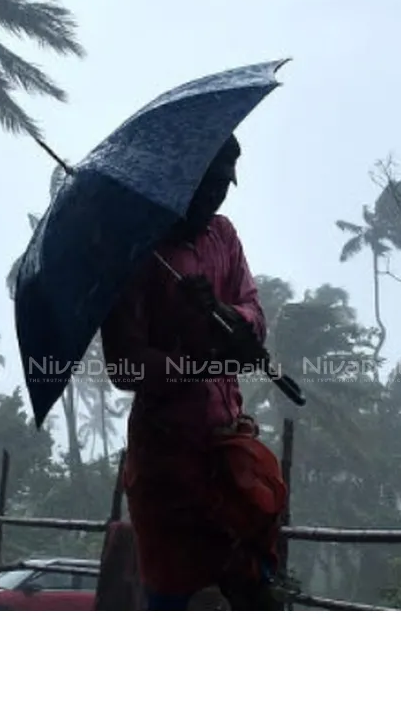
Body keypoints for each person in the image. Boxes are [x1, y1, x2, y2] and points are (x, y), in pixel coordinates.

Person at [101, 134, 286, 610]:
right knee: (173, 598)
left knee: (258, 590)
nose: (216, 195)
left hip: (229, 454)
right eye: (208, 183)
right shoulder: (135, 252)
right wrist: (198, 359)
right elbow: (123, 364)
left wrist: (221, 314)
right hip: (167, 467)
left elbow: (254, 319)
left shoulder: (223, 236)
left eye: (225, 184)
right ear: (182, 178)